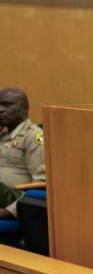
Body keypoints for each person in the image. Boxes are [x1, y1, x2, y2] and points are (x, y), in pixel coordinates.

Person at [0, 88, 44, 219]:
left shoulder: (34, 136)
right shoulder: (3, 135)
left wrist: (9, 212)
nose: (1, 109)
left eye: (7, 105)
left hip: (17, 200)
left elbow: (41, 184)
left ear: (25, 109)